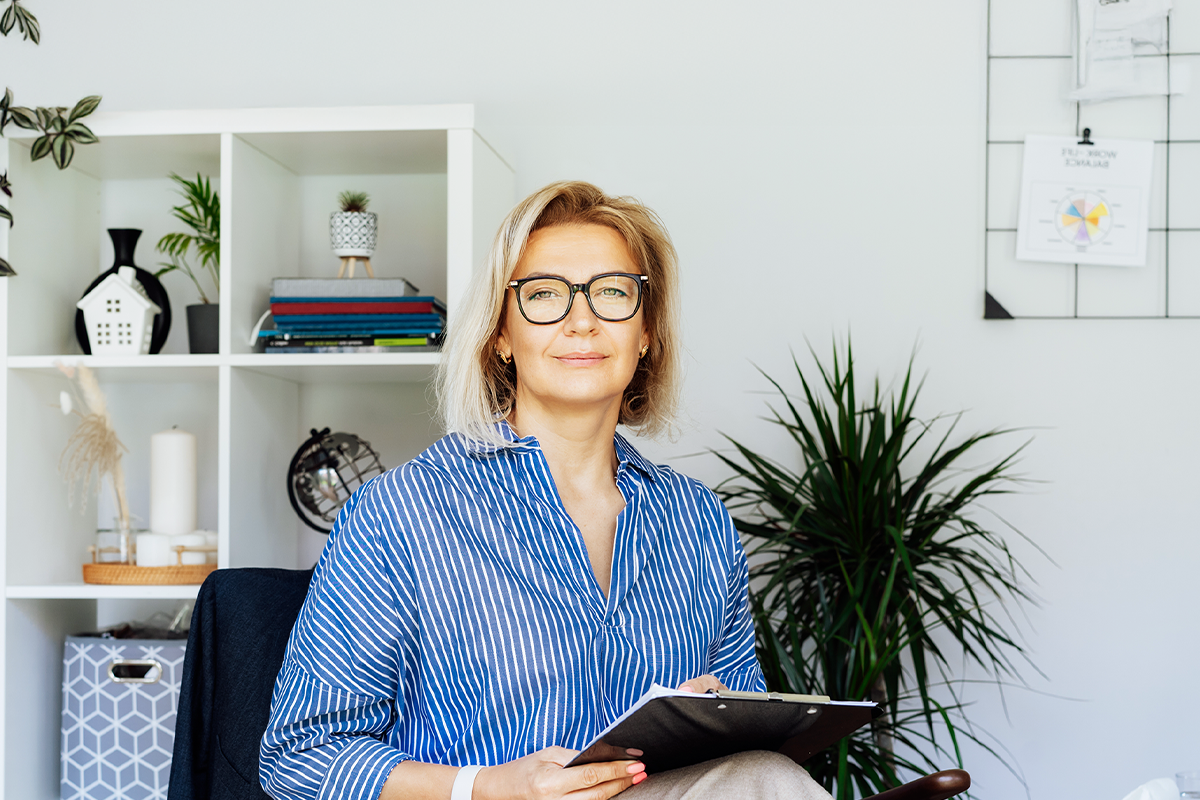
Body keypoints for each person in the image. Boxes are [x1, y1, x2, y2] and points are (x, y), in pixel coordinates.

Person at [260, 181, 831, 800]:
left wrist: (718, 706)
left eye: (614, 293)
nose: (581, 320)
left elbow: (743, 727)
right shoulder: (404, 511)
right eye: (543, 296)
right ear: (500, 334)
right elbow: (299, 758)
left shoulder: (698, 521)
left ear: (647, 333)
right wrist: (483, 787)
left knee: (767, 775)